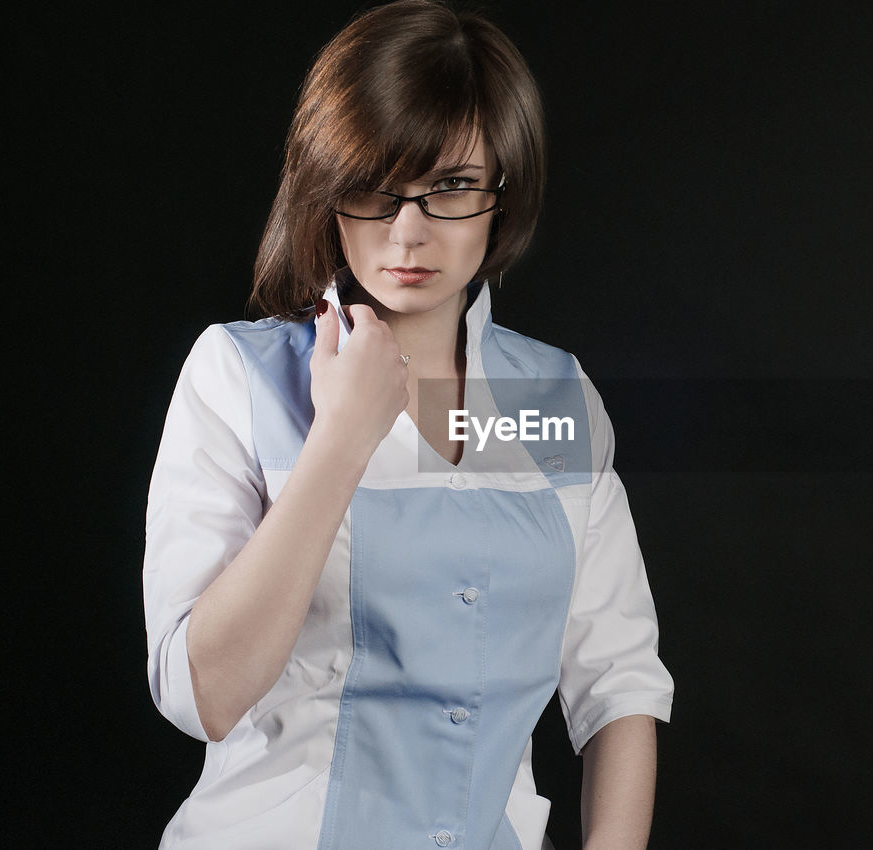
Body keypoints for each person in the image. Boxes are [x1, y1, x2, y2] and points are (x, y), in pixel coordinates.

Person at [141, 2, 673, 848]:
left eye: (452, 186)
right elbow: (200, 694)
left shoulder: (551, 397)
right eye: (372, 187)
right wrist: (341, 438)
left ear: (505, 189)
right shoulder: (237, 378)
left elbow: (619, 685)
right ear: (325, 186)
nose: (408, 232)